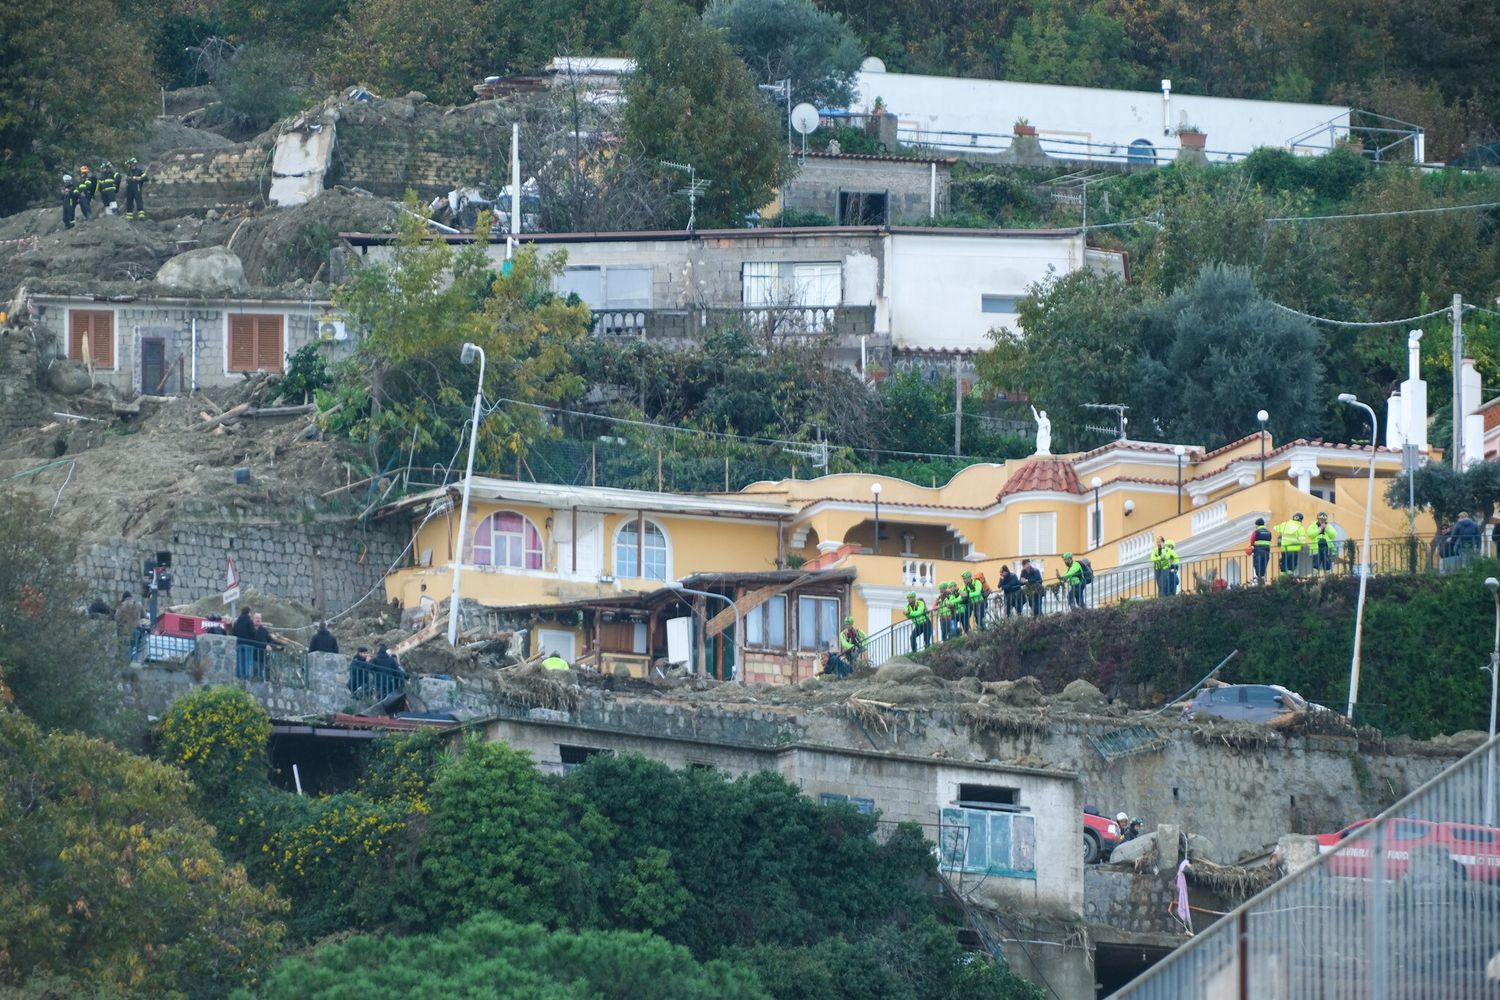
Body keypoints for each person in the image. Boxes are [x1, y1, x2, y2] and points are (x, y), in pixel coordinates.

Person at [231, 607, 258, 678]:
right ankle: (246, 678)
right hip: (248, 644)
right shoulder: (249, 621)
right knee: (247, 662)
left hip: (239, 645)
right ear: (249, 612)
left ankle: (240, 677)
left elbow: (234, 633)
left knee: (240, 661)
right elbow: (253, 633)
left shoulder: (236, 622)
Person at [1246, 517, 1273, 584]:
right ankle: (1262, 581)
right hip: (1266, 552)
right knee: (1263, 568)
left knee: (1258, 568)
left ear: (1257, 525)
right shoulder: (1269, 532)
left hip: (1258, 552)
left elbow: (1252, 542)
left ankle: (1260, 584)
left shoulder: (1256, 532)